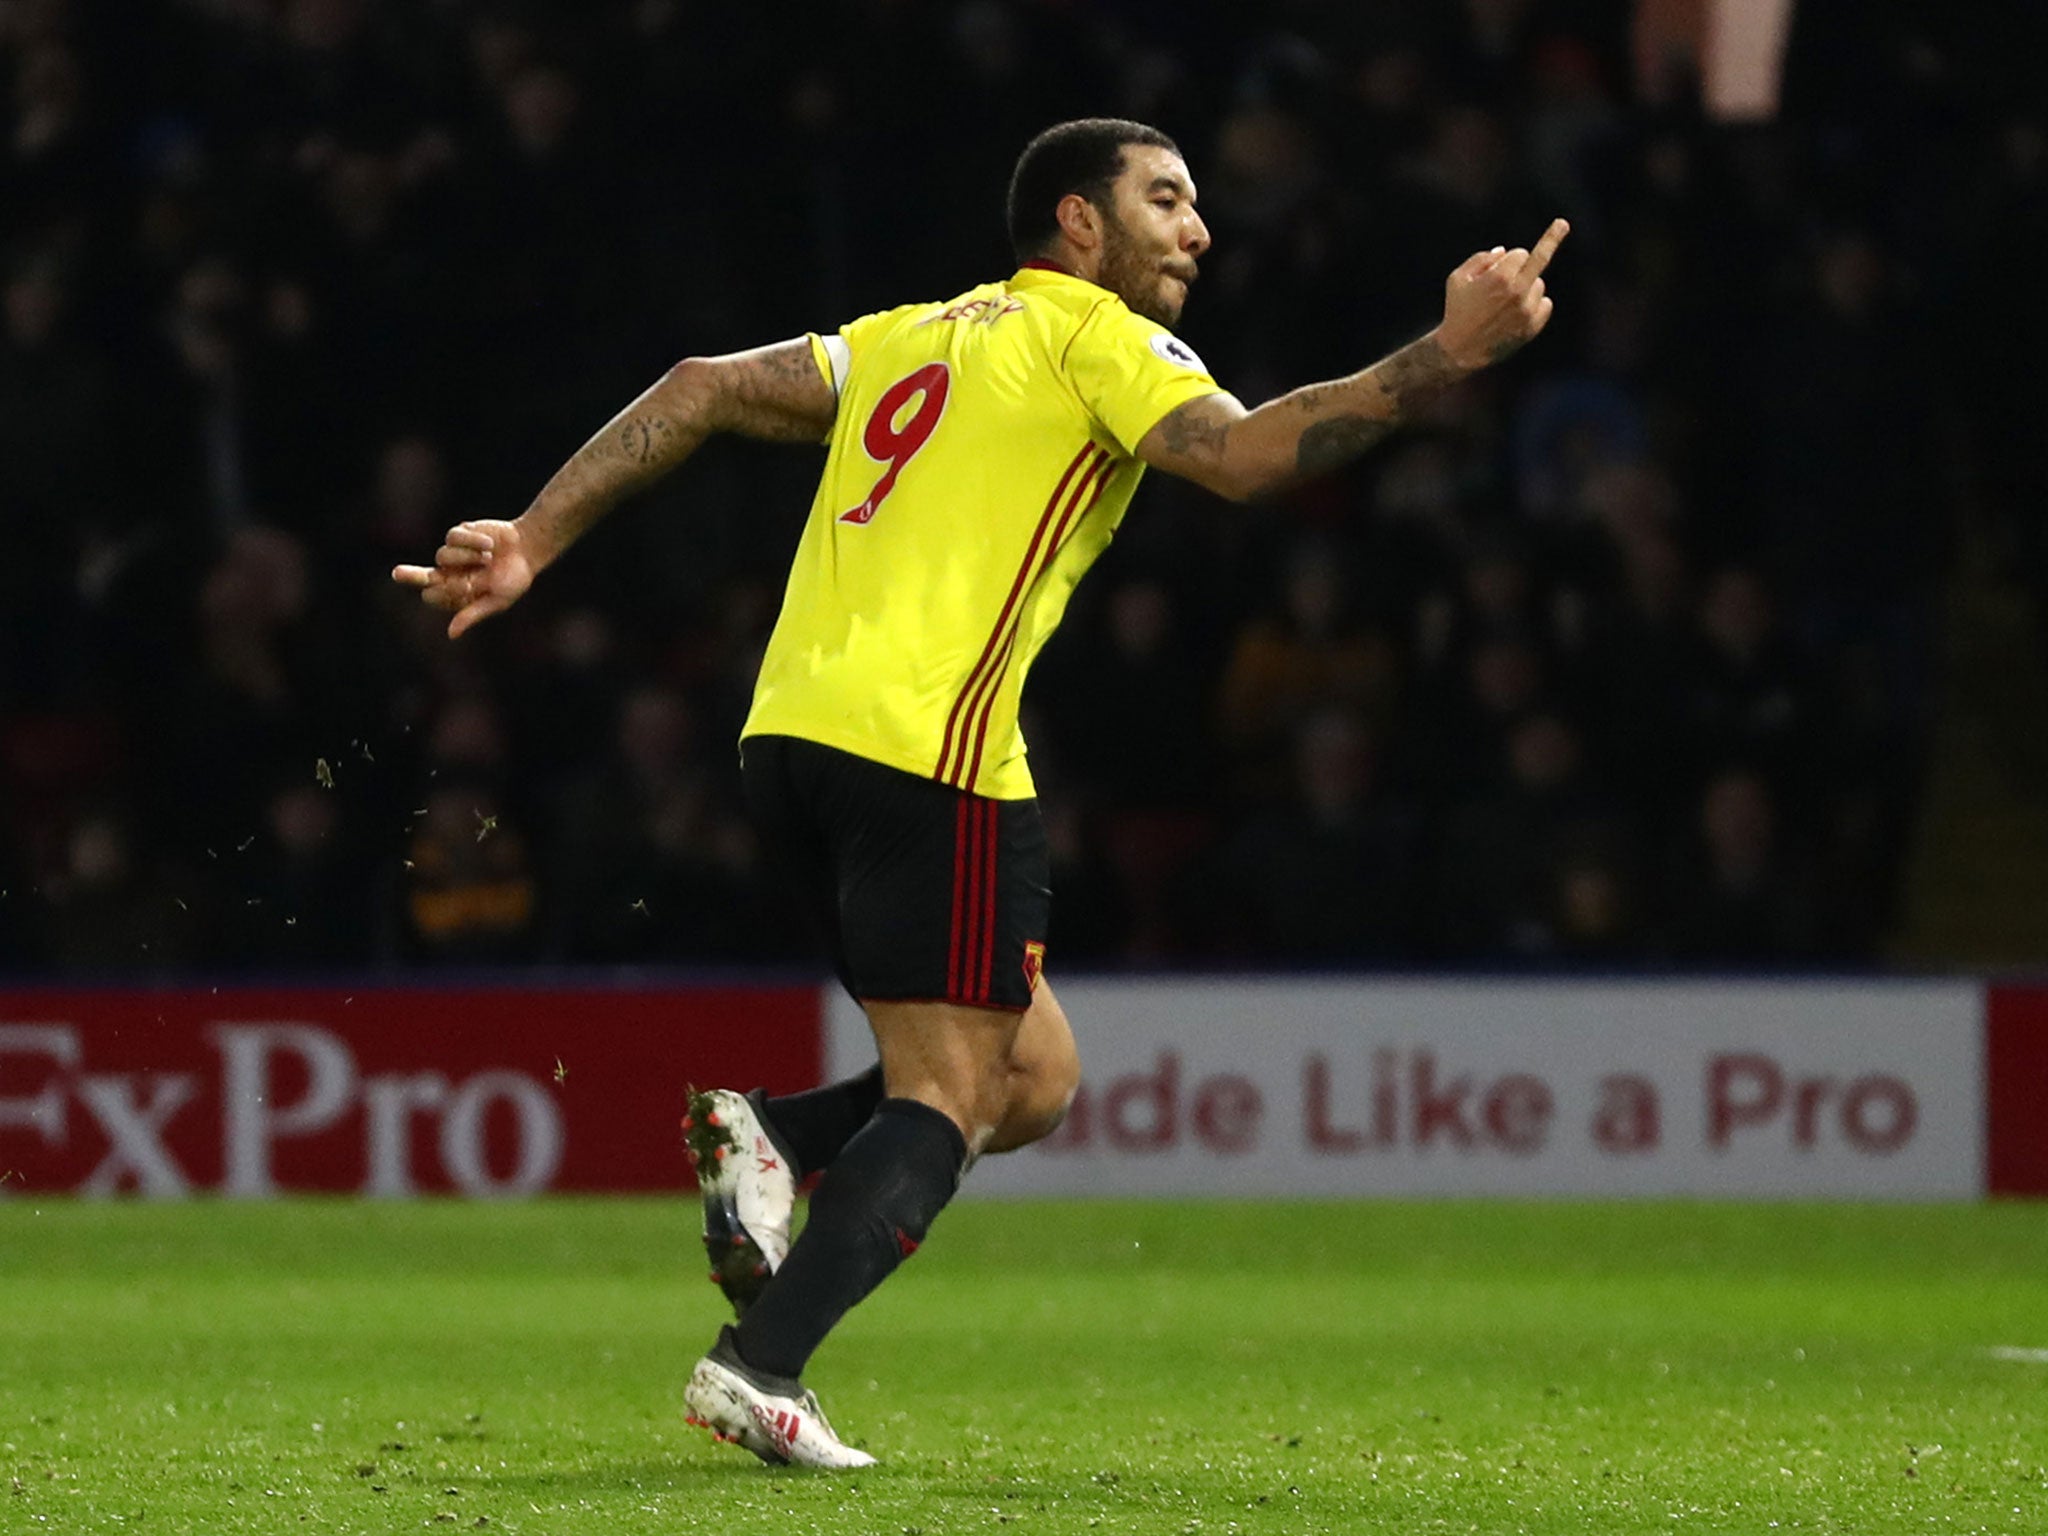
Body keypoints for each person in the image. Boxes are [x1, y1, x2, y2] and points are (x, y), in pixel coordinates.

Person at [394, 117, 1566, 1468]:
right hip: (926, 750)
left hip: (792, 735)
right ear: (1078, 224)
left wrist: (534, 540)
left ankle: (767, 1134)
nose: (1198, 230)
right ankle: (758, 1369)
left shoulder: (906, 333)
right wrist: (1447, 357)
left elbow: (702, 382)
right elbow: (1249, 460)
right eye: (1167, 201)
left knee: (1040, 1074)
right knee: (949, 1098)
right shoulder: (1100, 342)